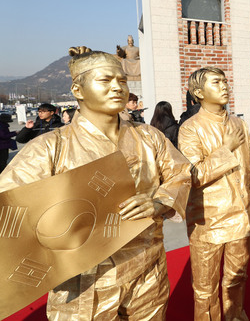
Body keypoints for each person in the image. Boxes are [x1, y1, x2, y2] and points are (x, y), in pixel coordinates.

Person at [0, 46, 192, 319]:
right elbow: (9, 206)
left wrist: (159, 201)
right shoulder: (50, 146)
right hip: (84, 280)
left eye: (122, 81)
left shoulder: (149, 136)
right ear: (78, 90)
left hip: (148, 263)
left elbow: (181, 173)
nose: (117, 88)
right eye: (105, 80)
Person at [179, 67, 250, 320]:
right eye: (216, 82)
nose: (225, 86)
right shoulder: (190, 128)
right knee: (205, 287)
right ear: (199, 93)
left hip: (241, 215)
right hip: (208, 220)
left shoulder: (239, 124)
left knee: (237, 276)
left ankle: (235, 314)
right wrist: (226, 149)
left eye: (225, 81)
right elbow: (193, 175)